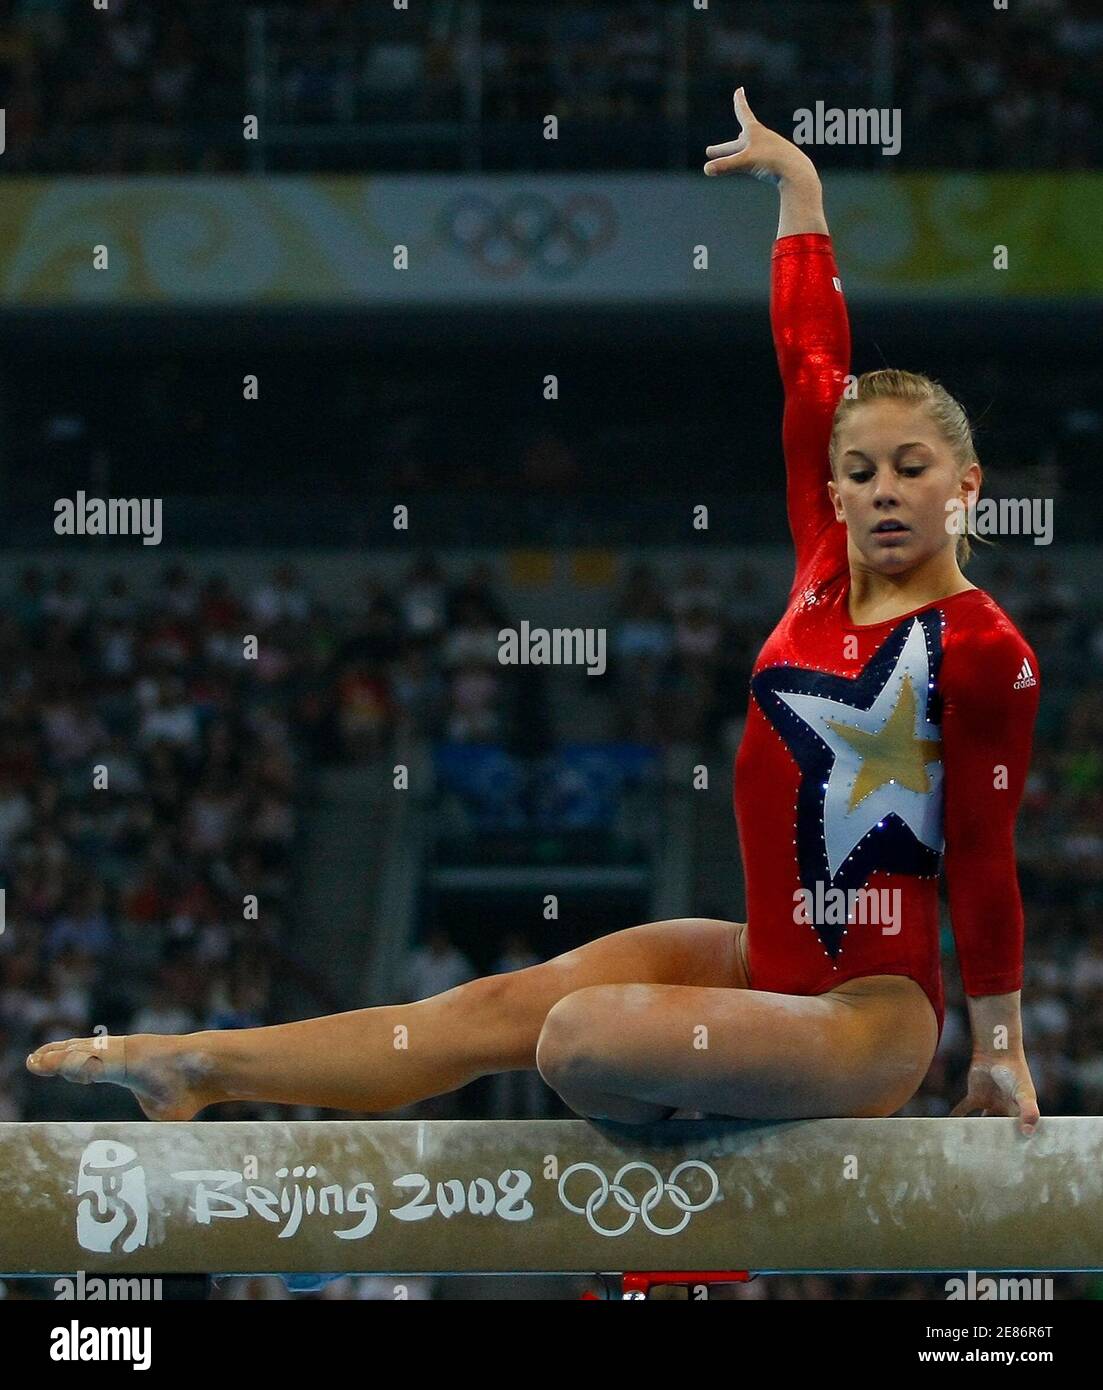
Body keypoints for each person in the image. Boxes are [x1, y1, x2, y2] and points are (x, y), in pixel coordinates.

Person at [27, 90, 1041, 1134]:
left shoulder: (983, 651)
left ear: (964, 485)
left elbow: (980, 855)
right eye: (858, 468)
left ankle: (695, 1121)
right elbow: (809, 365)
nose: (878, 488)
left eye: (908, 468)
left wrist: (999, 1047)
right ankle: (201, 1064)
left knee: (580, 1036)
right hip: (754, 962)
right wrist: (802, 195)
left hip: (866, 1015)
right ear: (829, 488)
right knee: (491, 1008)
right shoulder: (821, 563)